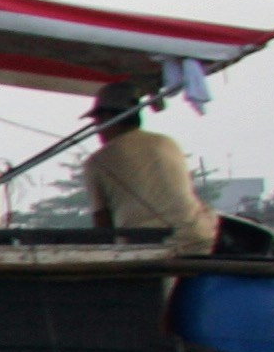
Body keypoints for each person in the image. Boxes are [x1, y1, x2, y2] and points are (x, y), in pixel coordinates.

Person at [83, 79, 220, 253]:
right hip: (200, 237)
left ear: (109, 117)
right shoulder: (167, 143)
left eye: (97, 121)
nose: (97, 130)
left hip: (148, 247)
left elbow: (103, 228)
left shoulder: (96, 162)